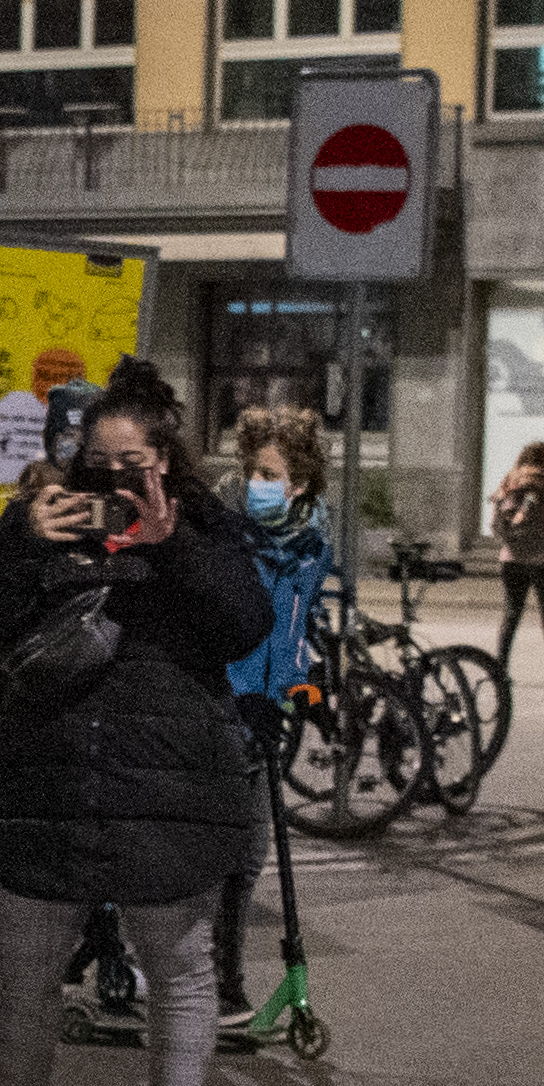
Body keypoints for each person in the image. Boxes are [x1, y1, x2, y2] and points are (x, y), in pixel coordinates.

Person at [0, 384, 273, 1086]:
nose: (111, 481)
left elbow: (245, 626)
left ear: (168, 461)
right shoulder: (43, 514)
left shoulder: (201, 524)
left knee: (178, 971)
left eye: (132, 465)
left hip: (167, 780)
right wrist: (25, 549)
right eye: (97, 463)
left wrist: (172, 545)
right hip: (49, 776)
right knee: (25, 970)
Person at [215, 404, 332, 1038]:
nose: (257, 483)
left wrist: (298, 686)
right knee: (230, 847)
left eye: (271, 473)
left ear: (302, 484)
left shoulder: (312, 549)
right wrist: (239, 690)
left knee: (248, 851)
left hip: (265, 712)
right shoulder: (227, 537)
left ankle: (215, 977)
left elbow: (291, 633)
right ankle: (217, 984)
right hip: (222, 706)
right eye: (253, 469)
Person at [489, 440, 544, 682]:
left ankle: (500, 670)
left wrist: (512, 540)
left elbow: (496, 522)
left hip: (511, 557)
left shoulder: (511, 481)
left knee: (511, 613)